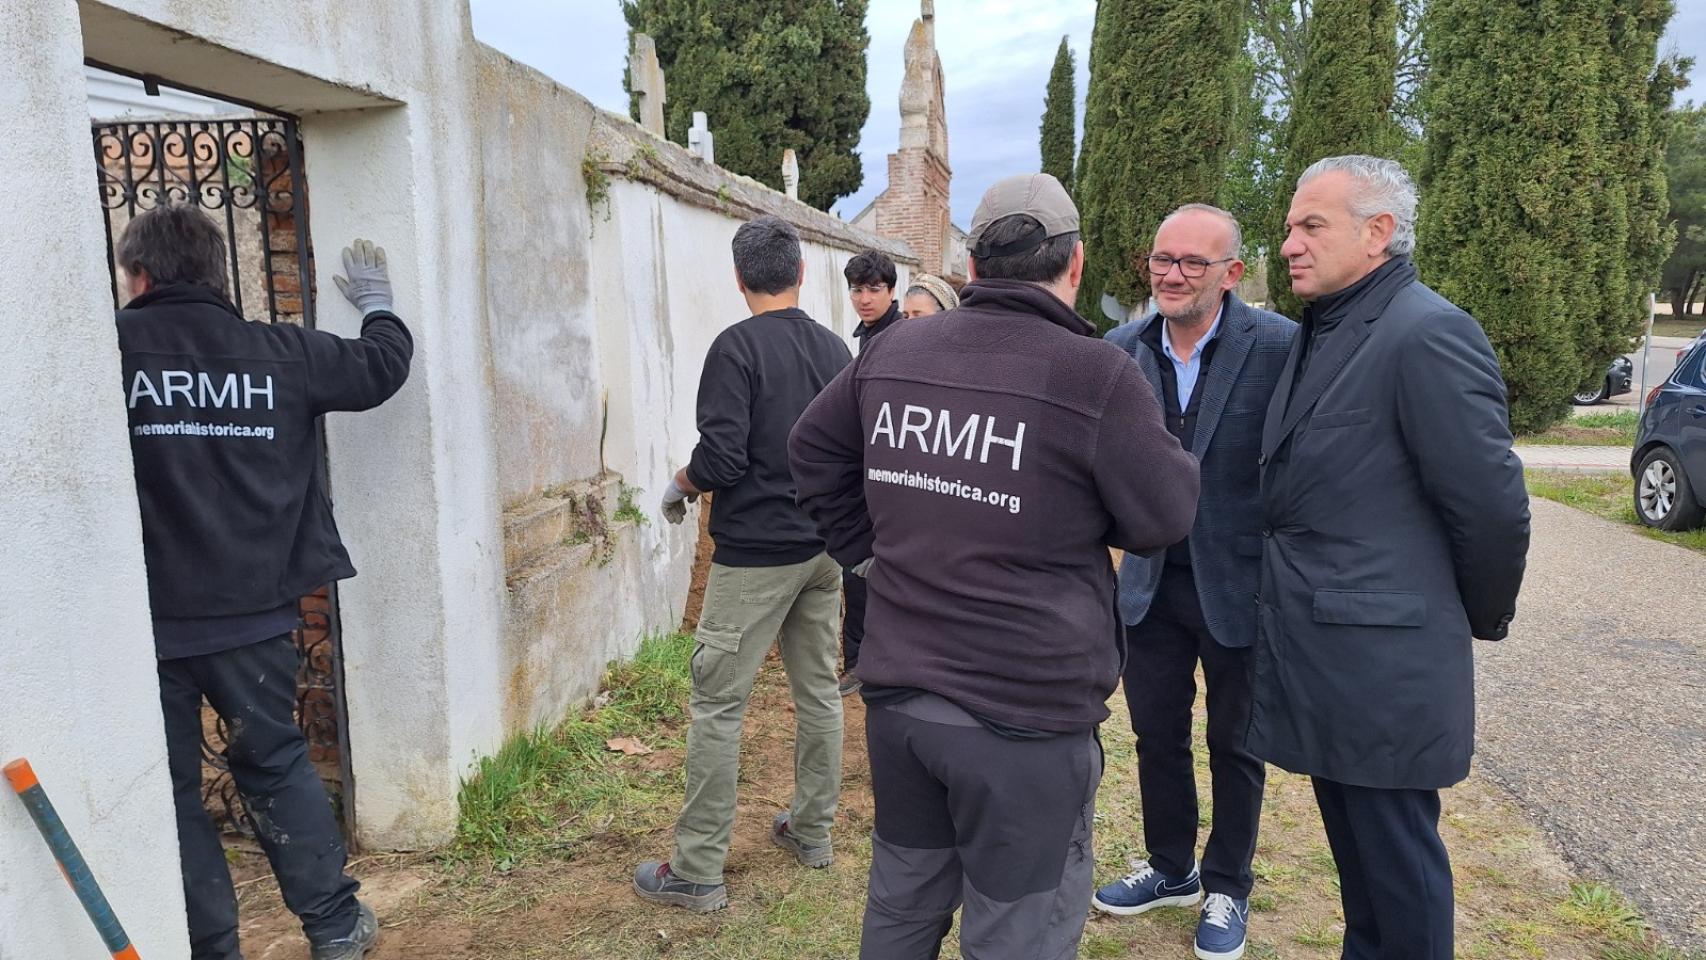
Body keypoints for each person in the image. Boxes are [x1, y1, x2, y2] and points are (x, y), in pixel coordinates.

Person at [790, 173, 1201, 960]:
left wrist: (870, 554)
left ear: (971, 267)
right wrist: (871, 554)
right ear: (1073, 265)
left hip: (905, 705)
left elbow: (811, 451)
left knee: (903, 908)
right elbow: (1166, 515)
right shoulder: (1094, 374)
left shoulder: (899, 348)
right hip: (1024, 722)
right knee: (1017, 931)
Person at [116, 205, 412, 960]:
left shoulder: (109, 353)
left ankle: (210, 948)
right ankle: (336, 927)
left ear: (140, 276)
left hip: (145, 623)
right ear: (219, 275)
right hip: (254, 617)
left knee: (173, 792)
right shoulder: (278, 353)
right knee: (276, 764)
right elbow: (381, 368)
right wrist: (379, 308)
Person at [1254, 155, 1530, 959]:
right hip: (1334, 659)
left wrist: (1462, 619)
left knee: (1399, 873)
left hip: (1385, 666)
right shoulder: (1329, 327)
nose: (1290, 244)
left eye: (1312, 226)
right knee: (1363, 878)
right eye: (1289, 227)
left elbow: (1489, 508)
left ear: (1377, 233)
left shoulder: (1426, 332)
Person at [1093, 204, 1295, 960]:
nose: (1172, 275)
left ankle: (1228, 886)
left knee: (1236, 743)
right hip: (1148, 584)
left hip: (1239, 586)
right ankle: (1172, 868)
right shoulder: (1121, 350)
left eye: (1192, 263)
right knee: (1156, 736)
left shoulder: (1279, 348)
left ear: (1232, 274)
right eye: (1161, 259)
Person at [638, 216, 853, 912]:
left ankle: (698, 870)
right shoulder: (834, 350)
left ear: (739, 278)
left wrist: (680, 483)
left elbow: (724, 456)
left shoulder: (736, 348)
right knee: (818, 693)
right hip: (822, 551)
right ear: (799, 274)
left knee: (717, 707)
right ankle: (813, 832)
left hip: (756, 556)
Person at [836, 248, 902, 697]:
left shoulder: (899, 336)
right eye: (857, 289)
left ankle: (882, 661)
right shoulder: (866, 336)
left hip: (894, 474)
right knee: (856, 571)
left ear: (891, 290)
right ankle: (858, 662)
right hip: (865, 470)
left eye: (874, 289)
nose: (864, 298)